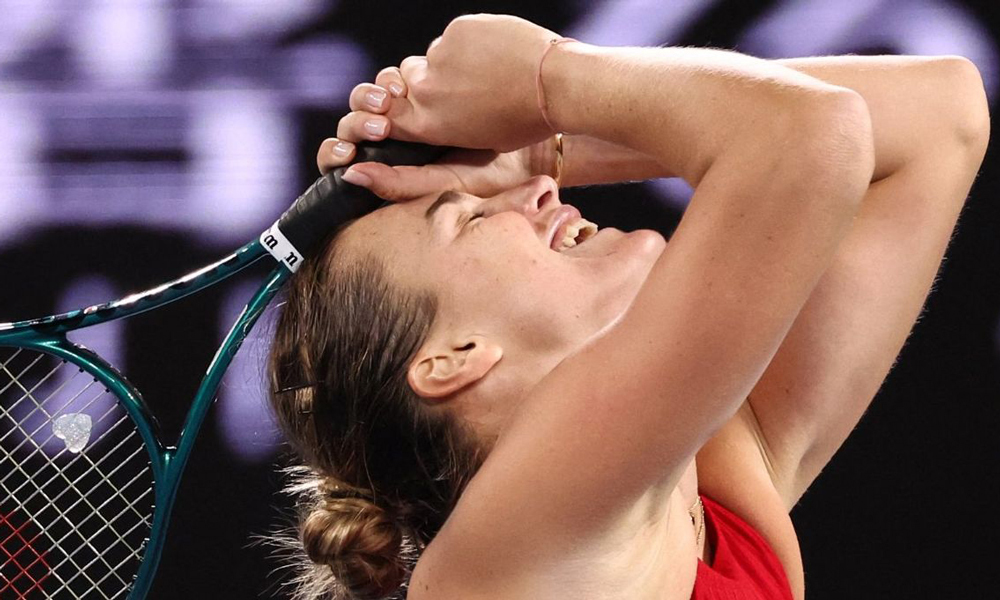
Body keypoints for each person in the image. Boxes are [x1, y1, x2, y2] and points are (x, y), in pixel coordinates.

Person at [268, 14, 989, 600]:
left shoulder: (704, 493)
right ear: (452, 358)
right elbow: (814, 136)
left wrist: (543, 152)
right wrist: (544, 79)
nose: (541, 196)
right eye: (475, 218)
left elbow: (942, 115)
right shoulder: (508, 547)